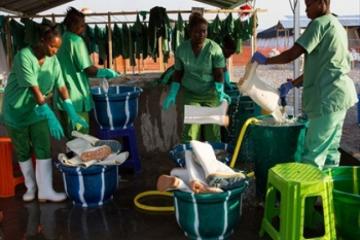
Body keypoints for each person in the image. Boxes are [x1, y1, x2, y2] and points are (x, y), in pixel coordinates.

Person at [251, 0, 358, 170]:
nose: (306, 10)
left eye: (309, 5)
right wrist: (293, 83)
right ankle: (327, 194)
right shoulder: (336, 25)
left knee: (312, 155)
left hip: (327, 99)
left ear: (323, 2)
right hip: (340, 96)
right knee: (330, 152)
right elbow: (323, 66)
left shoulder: (318, 24)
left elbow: (292, 54)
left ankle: (306, 196)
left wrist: (265, 60)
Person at [3, 23, 88, 202]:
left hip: (37, 111)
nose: (55, 51)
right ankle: (31, 188)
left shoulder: (53, 60)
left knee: (43, 147)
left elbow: (62, 86)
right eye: (52, 46)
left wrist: (71, 111)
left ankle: (45, 191)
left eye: (58, 47)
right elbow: (34, 90)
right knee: (23, 150)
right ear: (42, 41)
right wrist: (50, 115)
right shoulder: (24, 57)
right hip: (17, 111)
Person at [162, 12, 230, 142]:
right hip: (191, 94)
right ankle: (189, 156)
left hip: (211, 94)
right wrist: (172, 93)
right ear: (190, 31)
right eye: (197, 32)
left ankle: (213, 157)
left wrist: (220, 92)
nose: (201, 35)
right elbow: (178, 73)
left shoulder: (214, 49)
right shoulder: (182, 49)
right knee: (191, 130)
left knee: (213, 130)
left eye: (204, 31)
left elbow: (218, 73)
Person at [56, 7, 120, 137]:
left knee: (71, 141)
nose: (84, 28)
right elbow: (89, 69)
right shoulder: (76, 41)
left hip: (63, 99)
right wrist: (105, 72)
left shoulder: (62, 39)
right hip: (76, 99)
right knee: (81, 141)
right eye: (81, 25)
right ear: (73, 25)